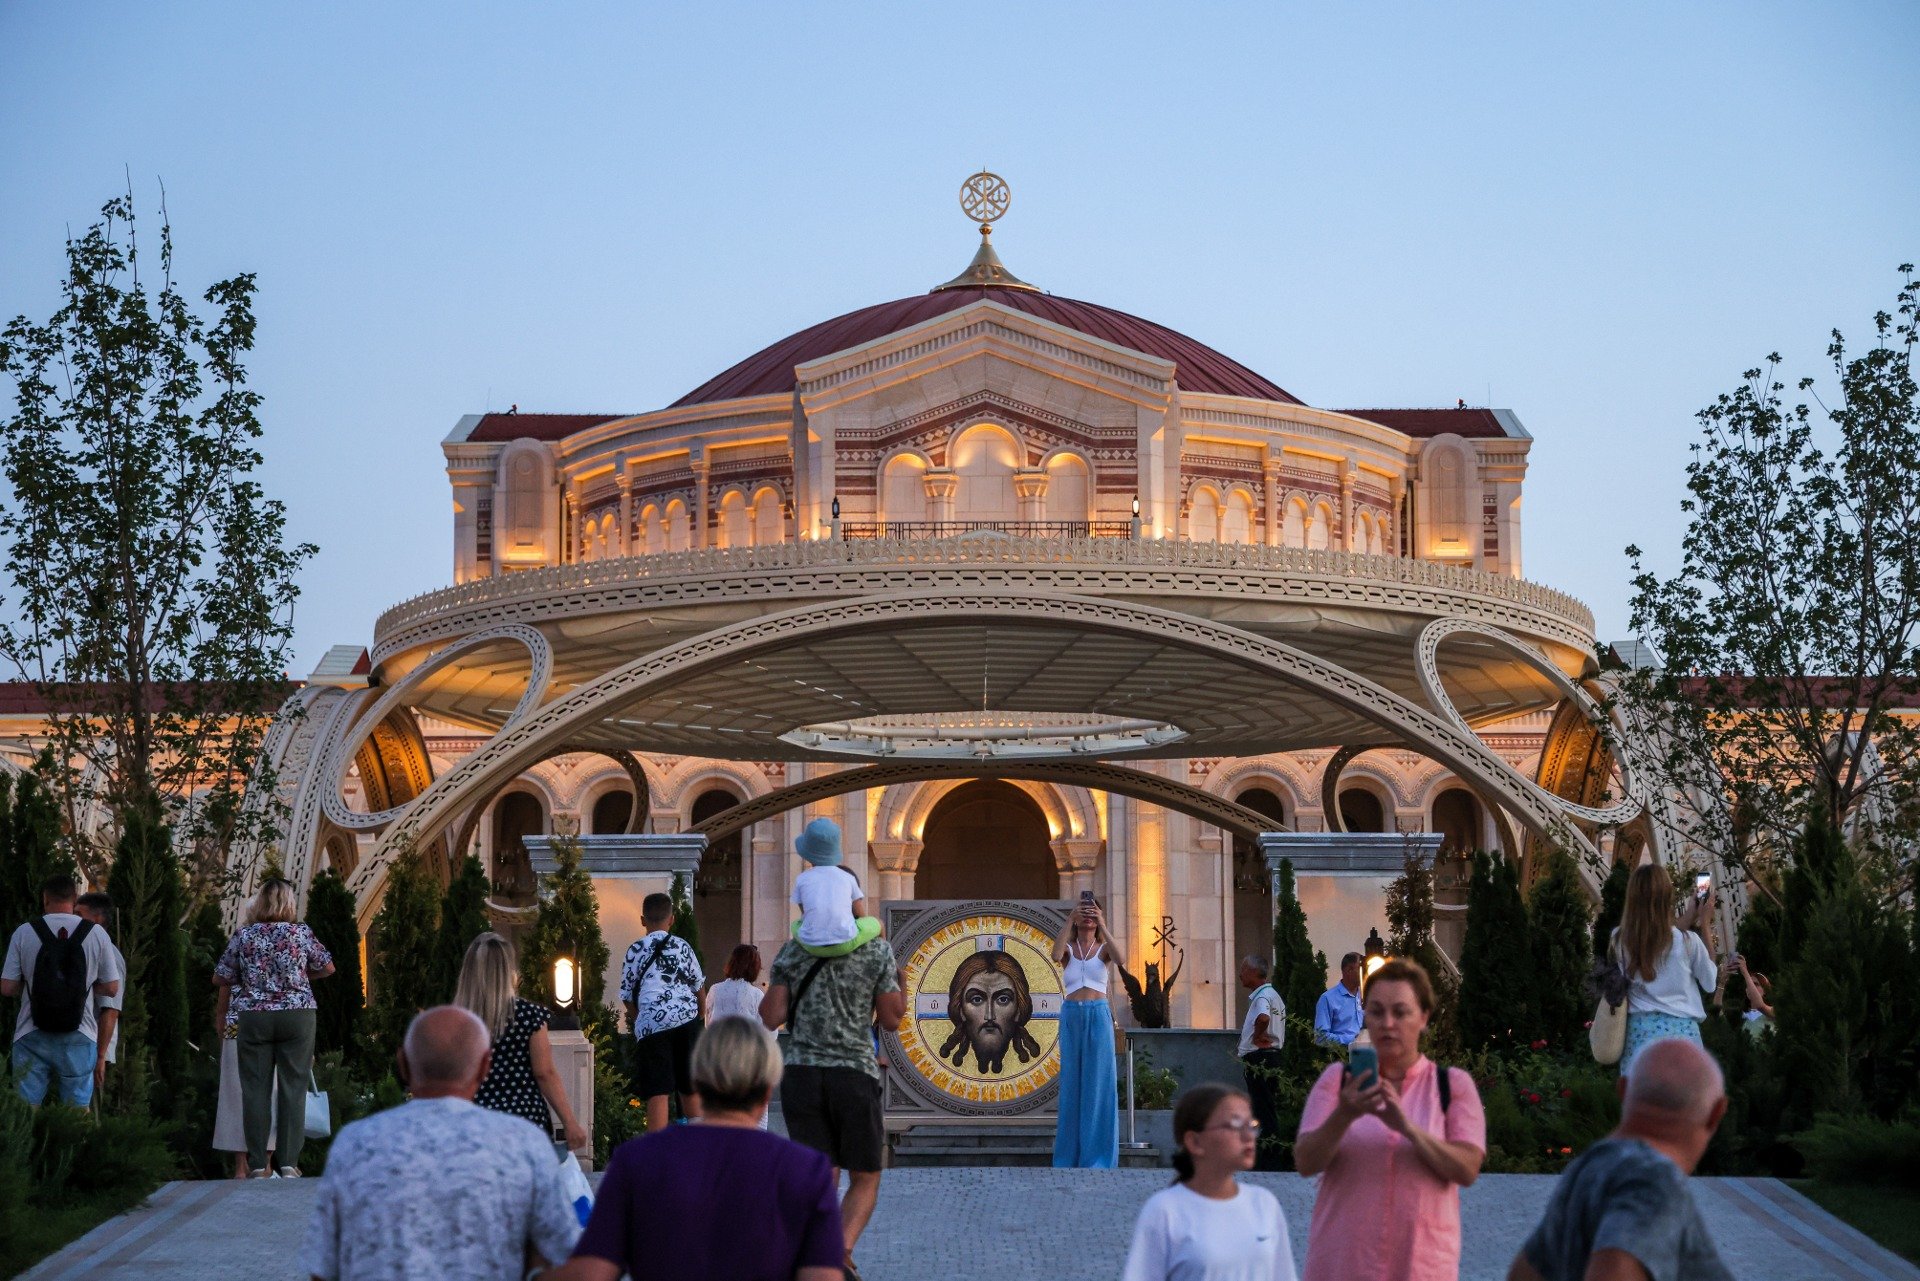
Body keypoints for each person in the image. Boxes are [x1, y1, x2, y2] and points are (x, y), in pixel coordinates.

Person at [548, 1017, 845, 1281]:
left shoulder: (637, 1161)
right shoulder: (807, 1171)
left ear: (698, 1081)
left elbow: (591, 1272)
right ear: (768, 1090)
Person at [300, 1006, 581, 1281]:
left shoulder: (355, 1144)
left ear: (403, 1063)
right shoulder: (526, 1143)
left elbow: (322, 1268)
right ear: (485, 1067)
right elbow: (562, 1257)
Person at [1294, 958, 1485, 1281]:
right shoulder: (1337, 1081)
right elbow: (1305, 1161)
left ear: (1423, 1017)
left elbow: (1466, 1169)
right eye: (1377, 1011)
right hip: (1343, 1266)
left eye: (1400, 1012)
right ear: (1365, 1015)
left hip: (1421, 1266)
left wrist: (1408, 1128)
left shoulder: (1451, 1086)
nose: (1387, 1023)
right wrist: (1344, 1114)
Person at [761, 892, 905, 1281]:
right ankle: (838, 1249)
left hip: (803, 1075)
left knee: (822, 1170)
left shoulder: (792, 953)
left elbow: (770, 1016)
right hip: (854, 1074)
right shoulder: (877, 952)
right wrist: (898, 983)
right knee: (866, 1175)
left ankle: (819, 1251)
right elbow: (892, 1020)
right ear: (855, 907)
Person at [1505, 1037, 1733, 1281]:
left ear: (1623, 1091)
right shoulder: (1653, 1179)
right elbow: (1612, 1272)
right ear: (1716, 1113)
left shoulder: (1588, 1166)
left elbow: (1525, 1273)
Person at [213, 876, 334, 1178]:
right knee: (293, 1087)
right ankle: (290, 1163)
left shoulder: (244, 935)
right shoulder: (301, 933)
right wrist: (301, 979)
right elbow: (328, 967)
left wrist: (252, 979)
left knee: (255, 1089)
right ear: (290, 903)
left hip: (254, 1015)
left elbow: (220, 977)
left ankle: (256, 1164)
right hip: (298, 1013)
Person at [1121, 1083, 1297, 1281]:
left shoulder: (1264, 1204)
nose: (1249, 1137)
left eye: (1252, 1125)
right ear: (1195, 1141)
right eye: (1236, 1125)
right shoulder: (1165, 1211)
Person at [454, 932, 588, 1153]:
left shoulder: (457, 1019)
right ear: (508, 972)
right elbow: (544, 1072)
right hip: (525, 1121)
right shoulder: (529, 1015)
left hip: (475, 1121)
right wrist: (570, 1123)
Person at [1, 874, 120, 1107]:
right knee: (75, 1116)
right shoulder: (96, 934)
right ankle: (71, 1144)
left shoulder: (24, 932)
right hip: (79, 1032)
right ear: (74, 899)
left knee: (26, 1112)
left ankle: (28, 1144)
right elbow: (112, 988)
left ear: (45, 900)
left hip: (31, 1032)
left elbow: (7, 987)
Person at [1612, 864, 1717, 1074]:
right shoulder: (1689, 942)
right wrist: (1704, 922)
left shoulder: (1619, 938)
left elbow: (1658, 941)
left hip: (1638, 1037)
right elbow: (1710, 982)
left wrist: (1689, 915)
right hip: (1683, 1038)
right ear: (1666, 897)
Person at [618, 892, 704, 1133]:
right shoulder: (682, 946)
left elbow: (626, 995)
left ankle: (657, 1153)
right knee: (690, 1086)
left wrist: (641, 1021)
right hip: (685, 1020)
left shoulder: (635, 950)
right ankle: (698, 1147)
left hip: (652, 1026)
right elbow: (698, 987)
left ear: (643, 920)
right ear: (672, 919)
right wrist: (698, 1017)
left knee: (657, 1090)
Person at [1050, 894, 1123, 1168]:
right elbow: (1056, 954)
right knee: (1072, 1084)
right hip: (1072, 1015)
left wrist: (1102, 924)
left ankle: (1098, 1158)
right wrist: (1070, 918)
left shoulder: (1102, 951)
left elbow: (1121, 958)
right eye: (1085, 911)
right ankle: (1068, 1156)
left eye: (1093, 911)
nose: (1088, 916)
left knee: (1098, 1085)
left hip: (1098, 1014)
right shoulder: (1068, 950)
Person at [213, 892, 277, 1178]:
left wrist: (220, 1021)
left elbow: (223, 982)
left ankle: (242, 1166)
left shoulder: (241, 939)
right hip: (274, 1026)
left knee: (235, 1092)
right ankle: (265, 1163)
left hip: (238, 1024)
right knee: (270, 1091)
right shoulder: (288, 938)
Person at [790, 818, 881, 957]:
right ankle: (884, 951)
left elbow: (804, 916)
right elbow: (861, 916)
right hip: (845, 943)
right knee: (878, 923)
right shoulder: (847, 877)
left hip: (811, 946)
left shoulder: (802, 879)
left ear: (807, 854)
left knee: (795, 924)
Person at [1236, 954, 1287, 1172]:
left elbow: (1263, 1018)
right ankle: (1268, 1157)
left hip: (1260, 1058)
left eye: (1244, 969)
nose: (1240, 974)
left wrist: (1258, 1036)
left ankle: (1268, 1160)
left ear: (1256, 972)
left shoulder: (1262, 997)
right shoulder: (1272, 994)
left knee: (1262, 1110)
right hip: (1271, 1057)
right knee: (1266, 1108)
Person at [73, 891, 125, 1097]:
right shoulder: (84, 948)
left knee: (84, 1109)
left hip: (93, 1048)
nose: (73, 919)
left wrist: (100, 1057)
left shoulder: (109, 955)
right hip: (82, 1044)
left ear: (97, 919)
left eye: (79, 914)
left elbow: (111, 1010)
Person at [1312, 952, 1364, 1047]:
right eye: (1361, 969)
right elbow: (1320, 1037)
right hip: (1342, 1056)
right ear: (1349, 970)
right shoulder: (1328, 999)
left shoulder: (1367, 996)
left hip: (1369, 1055)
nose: (1365, 973)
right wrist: (1352, 1039)